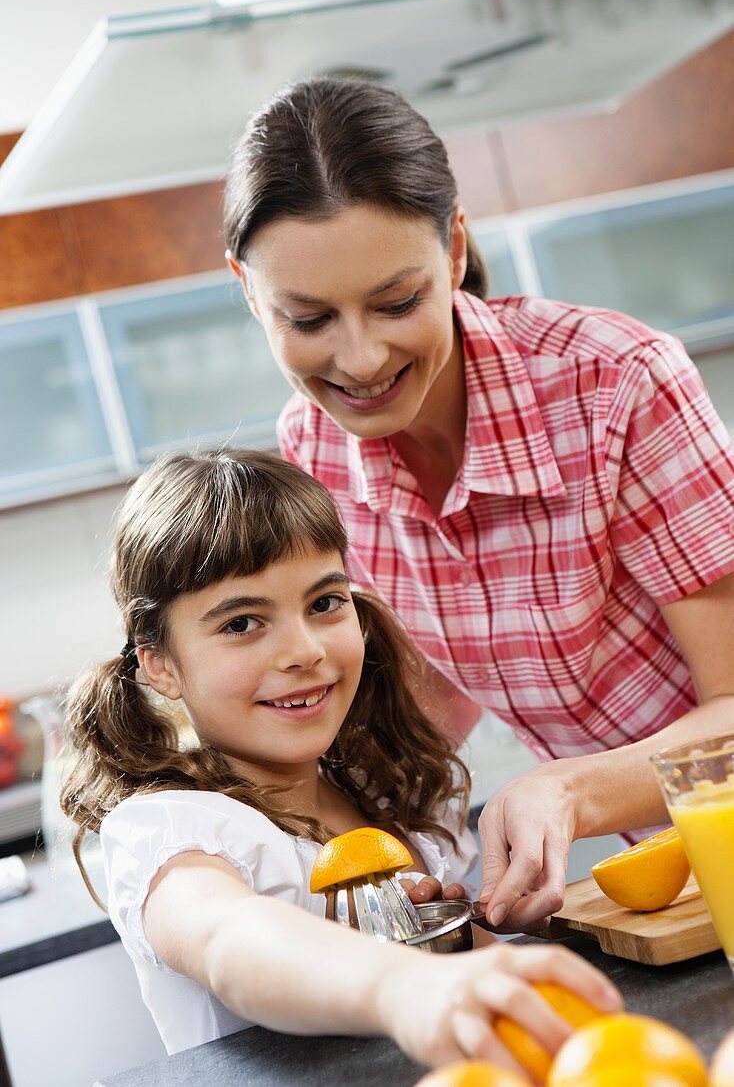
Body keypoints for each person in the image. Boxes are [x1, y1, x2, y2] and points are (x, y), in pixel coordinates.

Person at [223, 77, 734, 934]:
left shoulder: (616, 385)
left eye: (397, 303)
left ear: (454, 252)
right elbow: (429, 700)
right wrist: (357, 840)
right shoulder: (313, 454)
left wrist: (562, 786)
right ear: (246, 290)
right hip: (683, 884)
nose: (359, 358)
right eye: (308, 318)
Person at [59, 449, 620, 1067]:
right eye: (242, 622)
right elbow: (226, 940)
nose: (303, 651)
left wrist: (476, 936)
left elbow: (474, 999)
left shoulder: (389, 799)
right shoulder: (174, 833)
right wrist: (402, 984)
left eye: (324, 603)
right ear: (160, 664)